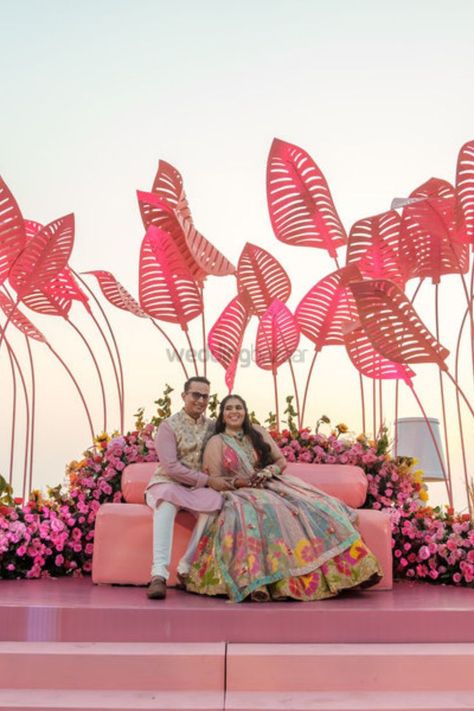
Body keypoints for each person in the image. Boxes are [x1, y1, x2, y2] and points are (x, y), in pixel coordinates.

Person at [185, 394, 382, 602]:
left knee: (315, 505)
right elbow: (214, 479)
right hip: (239, 492)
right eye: (229, 408)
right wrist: (242, 483)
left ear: (245, 412)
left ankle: (350, 572)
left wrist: (268, 471)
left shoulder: (257, 432)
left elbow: (280, 461)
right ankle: (266, 582)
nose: (234, 412)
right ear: (222, 416)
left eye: (238, 408)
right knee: (266, 509)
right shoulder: (216, 442)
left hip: (272, 482)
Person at [145, 376, 233, 600]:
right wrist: (206, 481)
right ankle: (158, 575)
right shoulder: (168, 426)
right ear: (184, 396)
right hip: (167, 483)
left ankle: (185, 568)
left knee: (215, 505)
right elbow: (171, 466)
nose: (200, 400)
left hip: (196, 490)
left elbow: (234, 437)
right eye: (196, 394)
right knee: (166, 502)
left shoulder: (213, 427)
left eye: (205, 396)